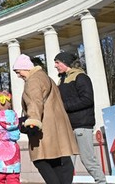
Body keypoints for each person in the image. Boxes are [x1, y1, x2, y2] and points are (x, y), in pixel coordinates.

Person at [13, 54, 79, 184]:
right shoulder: (45, 77)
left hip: (44, 129)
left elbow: (34, 102)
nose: (18, 75)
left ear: (25, 68)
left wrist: (32, 123)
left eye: (18, 71)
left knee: (40, 160)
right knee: (58, 161)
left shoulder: (33, 81)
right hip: (56, 127)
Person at [55, 51, 107, 184]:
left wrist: (64, 106)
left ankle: (101, 182)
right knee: (67, 161)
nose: (55, 65)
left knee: (88, 160)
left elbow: (87, 99)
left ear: (65, 62)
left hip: (82, 126)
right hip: (68, 126)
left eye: (57, 62)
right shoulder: (61, 80)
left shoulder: (81, 77)